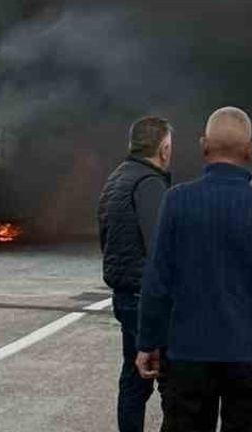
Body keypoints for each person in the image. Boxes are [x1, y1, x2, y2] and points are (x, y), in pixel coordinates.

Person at [136, 107, 252, 432]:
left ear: (203, 145)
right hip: (246, 354)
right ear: (250, 150)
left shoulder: (177, 201)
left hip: (187, 352)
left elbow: (157, 282)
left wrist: (148, 342)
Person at [98, 116, 174, 432]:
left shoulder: (116, 178)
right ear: (163, 148)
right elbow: (160, 248)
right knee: (171, 383)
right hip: (147, 299)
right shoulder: (149, 183)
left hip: (125, 295)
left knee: (133, 381)